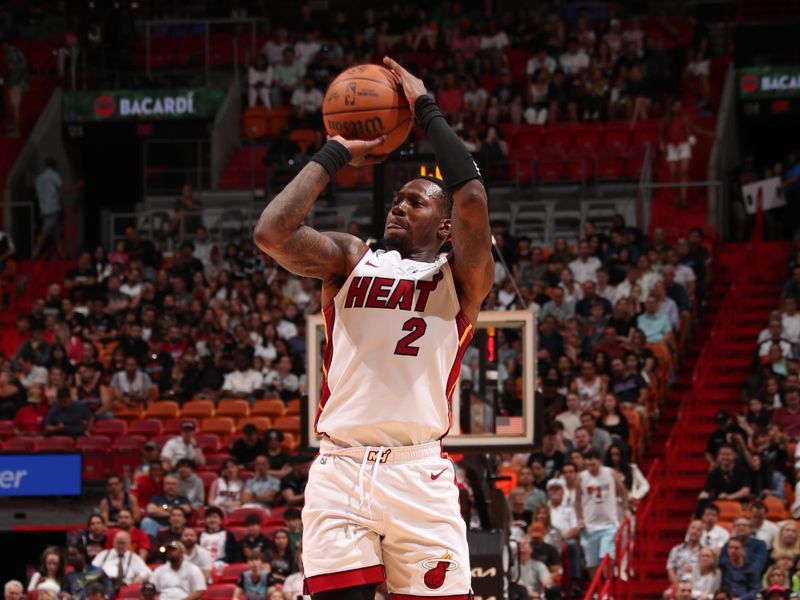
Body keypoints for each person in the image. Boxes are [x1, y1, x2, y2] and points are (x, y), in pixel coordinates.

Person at [253, 55, 493, 599]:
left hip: (418, 473)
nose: (399, 207)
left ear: (447, 224)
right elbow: (272, 232)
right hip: (340, 468)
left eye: (416, 201)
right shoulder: (350, 258)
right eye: (396, 200)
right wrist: (335, 152)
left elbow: (474, 195)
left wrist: (424, 108)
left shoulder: (459, 277)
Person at [575, 449, 628, 579]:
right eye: (588, 465)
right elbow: (577, 500)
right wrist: (579, 518)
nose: (591, 468)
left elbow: (623, 491)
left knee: (606, 557)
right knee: (591, 562)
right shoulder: (581, 477)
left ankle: (607, 590)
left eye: (594, 465)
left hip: (609, 523)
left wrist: (625, 508)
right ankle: (599, 591)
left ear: (600, 461)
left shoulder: (610, 473)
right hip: (590, 524)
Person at [33, 158, 82, 259]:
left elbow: (37, 194)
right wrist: (77, 186)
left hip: (44, 207)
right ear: (54, 166)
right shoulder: (54, 175)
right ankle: (35, 252)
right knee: (45, 231)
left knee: (57, 234)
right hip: (53, 207)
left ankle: (62, 255)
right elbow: (62, 190)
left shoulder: (39, 178)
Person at [719, 536, 760, 600]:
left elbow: (754, 590)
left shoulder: (751, 568)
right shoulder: (723, 566)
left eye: (736, 548)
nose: (732, 551)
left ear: (743, 550)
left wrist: (741, 599)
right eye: (730, 548)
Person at [666, 520, 703, 587]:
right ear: (688, 530)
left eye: (698, 530)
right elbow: (670, 570)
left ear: (702, 533)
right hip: (679, 585)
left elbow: (708, 571)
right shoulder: (676, 550)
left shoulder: (704, 552)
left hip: (698, 586)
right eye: (693, 528)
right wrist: (678, 586)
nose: (695, 531)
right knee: (667, 595)